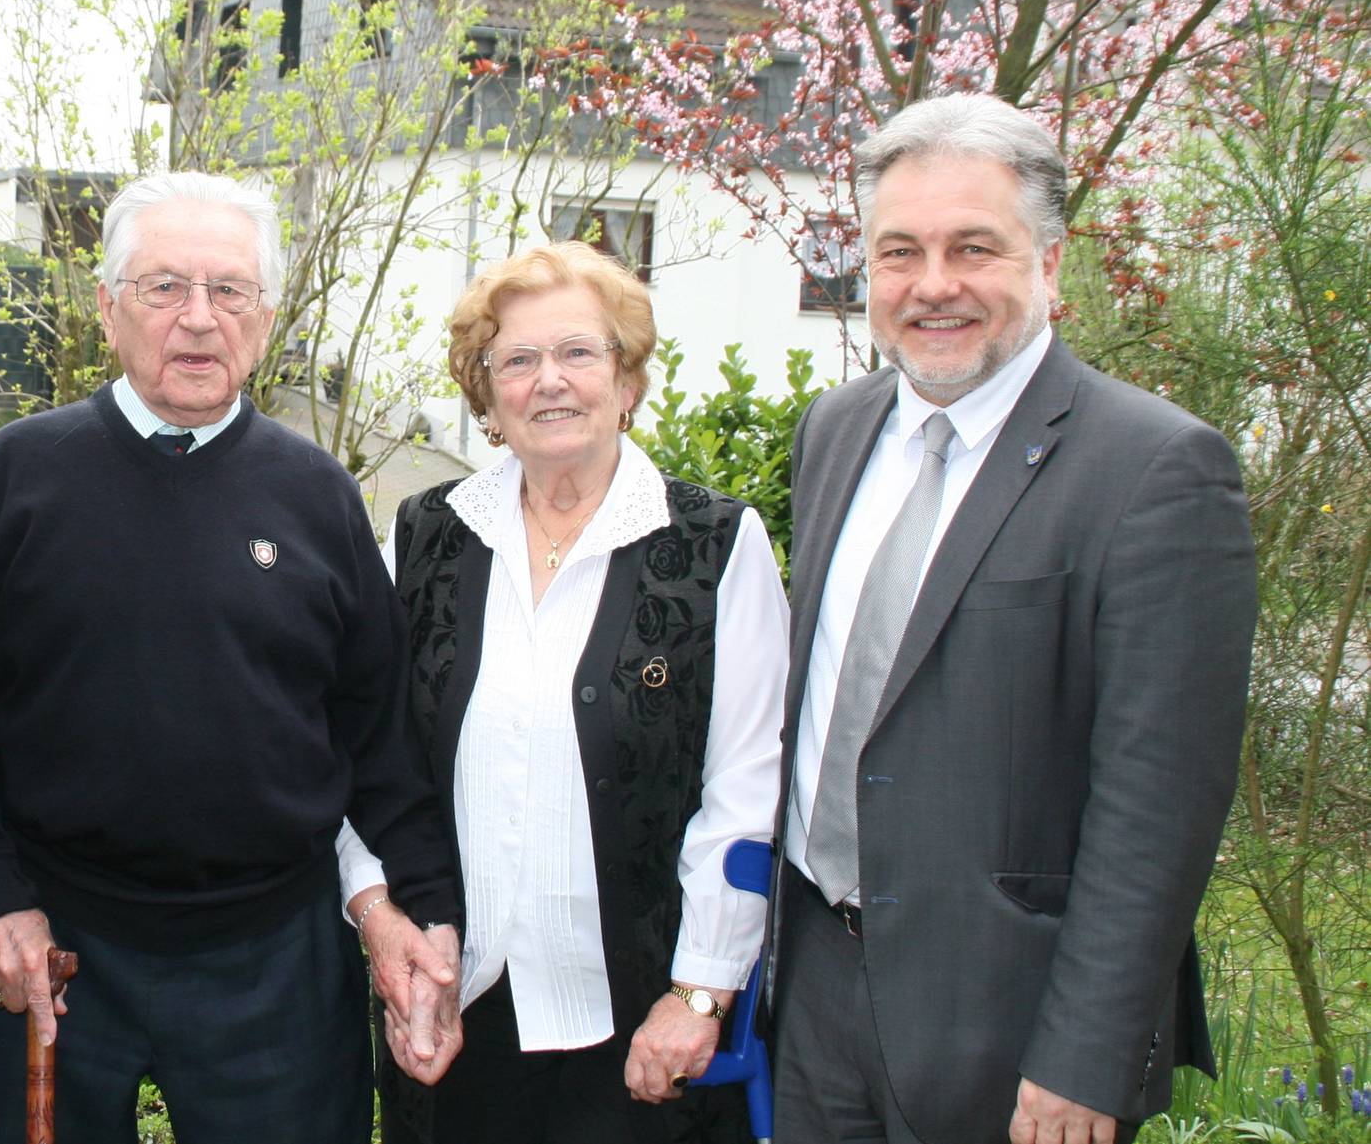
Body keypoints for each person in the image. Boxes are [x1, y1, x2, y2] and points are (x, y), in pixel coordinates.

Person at [769, 93, 1258, 1142]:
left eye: (973, 247)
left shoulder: (1156, 471)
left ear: (1050, 259)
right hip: (813, 989)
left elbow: (1159, 808)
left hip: (1010, 1031)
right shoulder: (836, 429)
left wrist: (1087, 1055)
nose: (932, 284)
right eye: (899, 251)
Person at [0, 170, 464, 1144]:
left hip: (274, 957)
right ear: (107, 307)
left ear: (265, 317)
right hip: (51, 943)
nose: (198, 318)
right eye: (163, 286)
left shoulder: (319, 497)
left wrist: (426, 909)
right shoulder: (15, 478)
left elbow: (379, 736)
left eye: (229, 290)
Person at [339, 241, 791, 1143]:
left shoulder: (713, 547)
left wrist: (700, 991)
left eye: (580, 352)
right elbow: (362, 750)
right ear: (488, 396)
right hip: (454, 1011)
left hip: (641, 1028)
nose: (551, 380)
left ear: (626, 381)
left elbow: (748, 787)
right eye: (518, 358)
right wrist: (382, 917)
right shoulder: (424, 539)